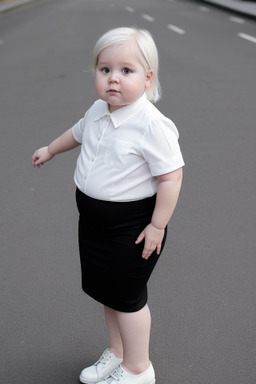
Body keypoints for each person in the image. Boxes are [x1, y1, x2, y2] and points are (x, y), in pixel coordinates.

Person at [32, 27, 184, 384]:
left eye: (126, 71)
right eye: (105, 70)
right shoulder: (99, 109)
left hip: (132, 228)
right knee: (108, 292)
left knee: (129, 298)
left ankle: (139, 368)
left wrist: (157, 225)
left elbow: (171, 177)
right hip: (95, 224)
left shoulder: (151, 125)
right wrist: (51, 149)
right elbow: (77, 131)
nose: (113, 79)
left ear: (148, 78)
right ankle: (118, 353)